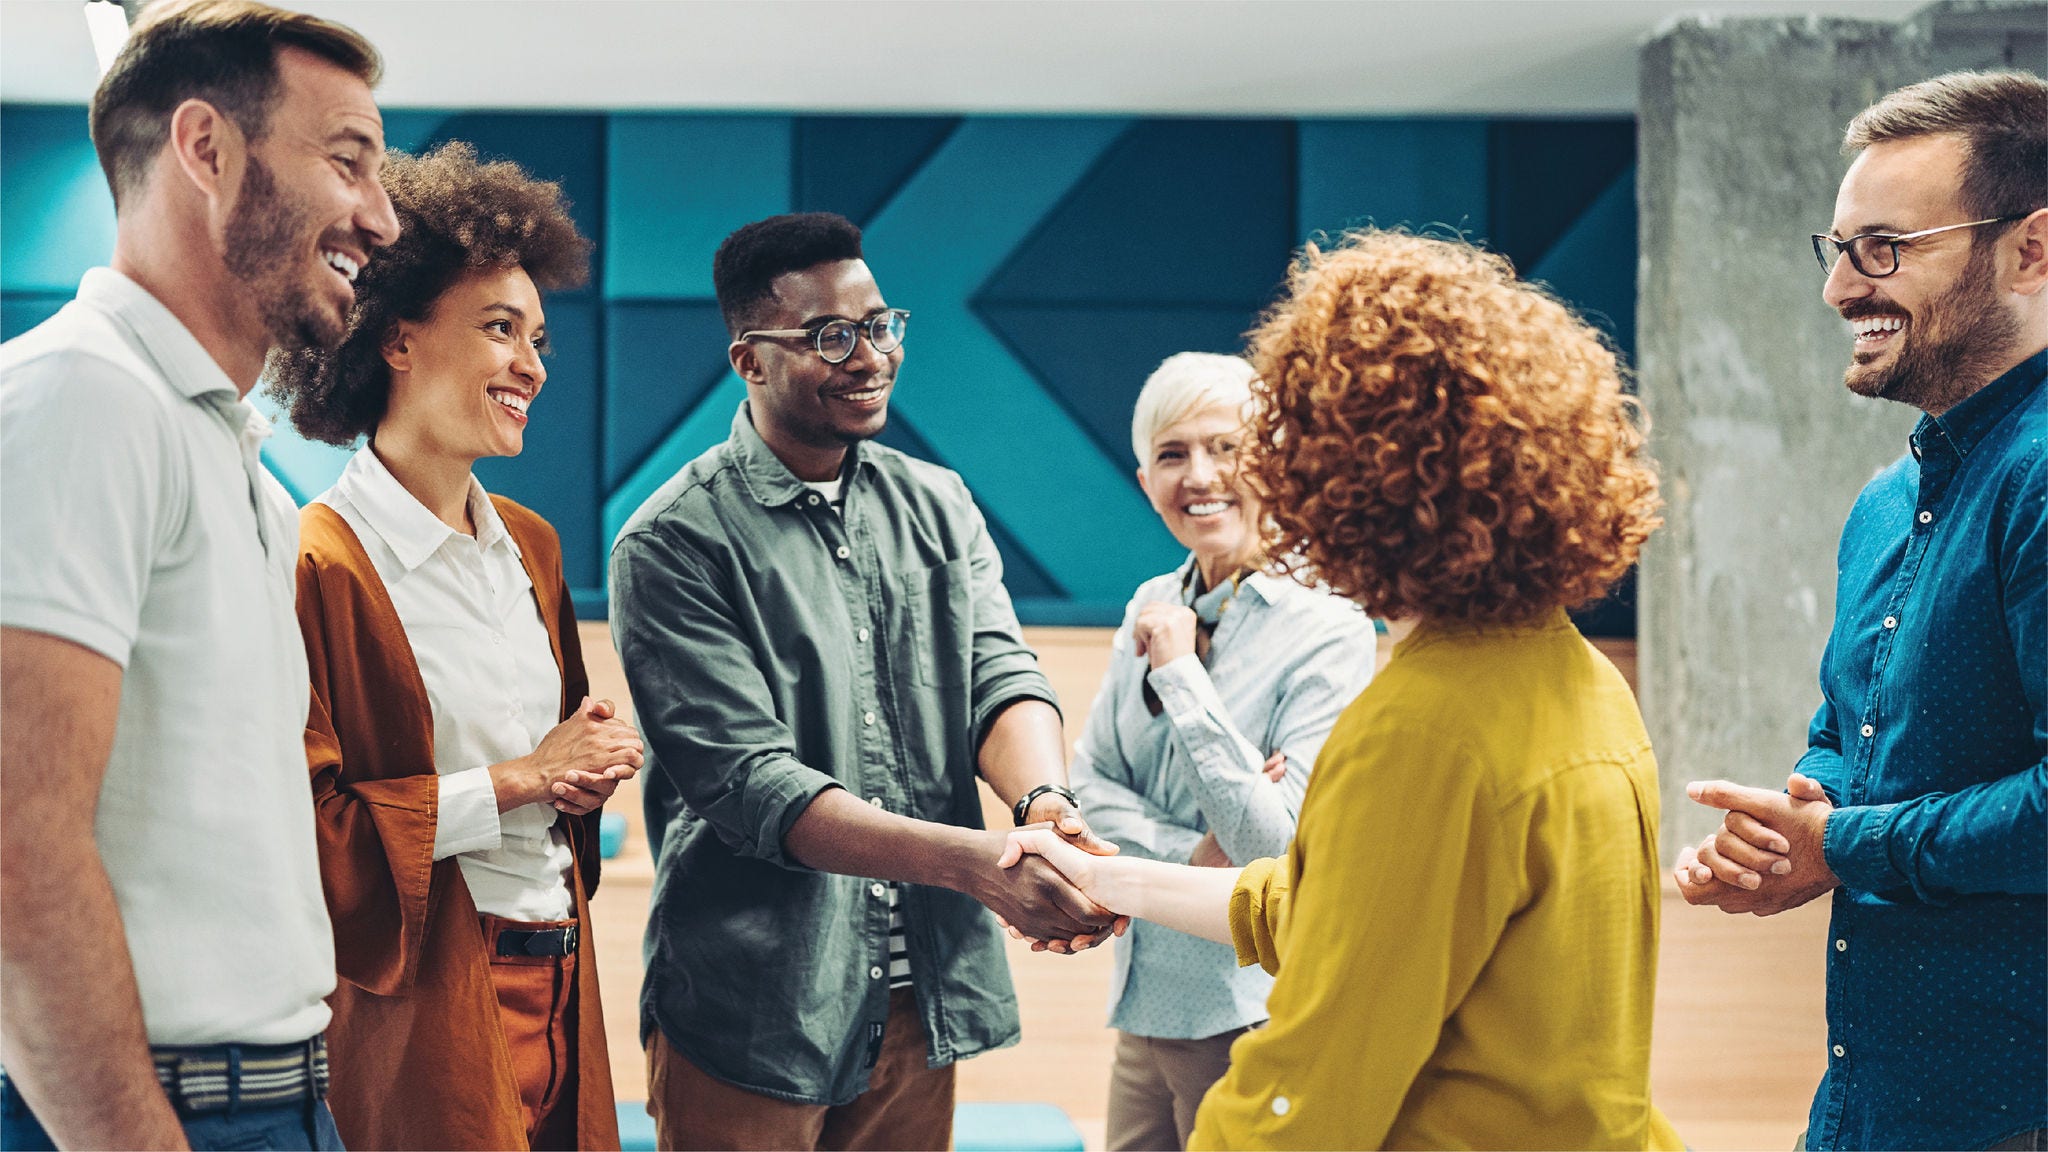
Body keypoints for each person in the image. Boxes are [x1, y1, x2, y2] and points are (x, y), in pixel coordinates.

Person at [1004, 229, 1682, 1150]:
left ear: (1353, 482)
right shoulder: (1581, 680)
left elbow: (1309, 1092)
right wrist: (1104, 871)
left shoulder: (1421, 727)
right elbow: (1331, 906)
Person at [609, 210, 1120, 1150]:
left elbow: (997, 674)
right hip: (754, 1010)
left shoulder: (937, 503)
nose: (869, 356)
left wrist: (1042, 803)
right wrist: (981, 866)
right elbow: (752, 789)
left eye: (881, 326)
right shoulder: (673, 541)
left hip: (919, 997)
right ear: (749, 362)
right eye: (829, 337)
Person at [0, 3, 396, 1149]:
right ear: (207, 151)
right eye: (348, 160)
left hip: (268, 1097)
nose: (379, 216)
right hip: (146, 1108)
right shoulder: (80, 399)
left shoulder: (237, 463)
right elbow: (17, 847)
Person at [1677, 70, 2046, 1152]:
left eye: (1882, 248)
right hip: (1874, 1102)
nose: (1840, 290)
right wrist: (1787, 830)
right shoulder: (1885, 503)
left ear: (2030, 249)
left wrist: (1843, 844)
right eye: (1836, 248)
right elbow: (1851, 732)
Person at [264, 142, 632, 1151]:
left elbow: (557, 771)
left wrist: (579, 773)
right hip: (421, 1007)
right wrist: (520, 779)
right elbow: (309, 831)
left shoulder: (535, 546)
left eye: (540, 338)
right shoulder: (318, 564)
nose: (532, 366)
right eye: (500, 330)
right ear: (396, 339)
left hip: (562, 972)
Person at [1068, 351, 1375, 1151]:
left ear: (1271, 459)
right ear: (1145, 482)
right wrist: (1188, 854)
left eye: (1227, 447)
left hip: (1254, 1007)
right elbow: (1089, 780)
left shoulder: (1329, 626)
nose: (1200, 475)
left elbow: (1276, 847)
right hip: (1144, 997)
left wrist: (1178, 674)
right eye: (1173, 455)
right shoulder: (1151, 603)